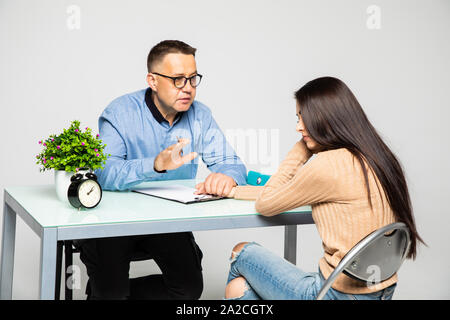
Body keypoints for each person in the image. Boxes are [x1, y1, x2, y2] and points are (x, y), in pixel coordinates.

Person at [208, 76, 424, 300]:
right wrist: (233, 192)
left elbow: (266, 204)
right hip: (380, 291)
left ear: (327, 118)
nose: (298, 127)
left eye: (304, 117)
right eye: (298, 117)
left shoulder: (327, 165)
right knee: (238, 288)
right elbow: (287, 193)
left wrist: (301, 151)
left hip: (333, 294)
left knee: (241, 253)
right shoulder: (379, 157)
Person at [79, 40, 247, 300]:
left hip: (166, 222)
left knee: (189, 290)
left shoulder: (200, 116)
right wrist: (154, 165)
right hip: (113, 224)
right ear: (153, 80)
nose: (188, 88)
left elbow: (231, 163)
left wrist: (227, 177)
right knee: (112, 293)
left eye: (193, 79)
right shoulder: (119, 113)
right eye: (178, 79)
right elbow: (105, 172)